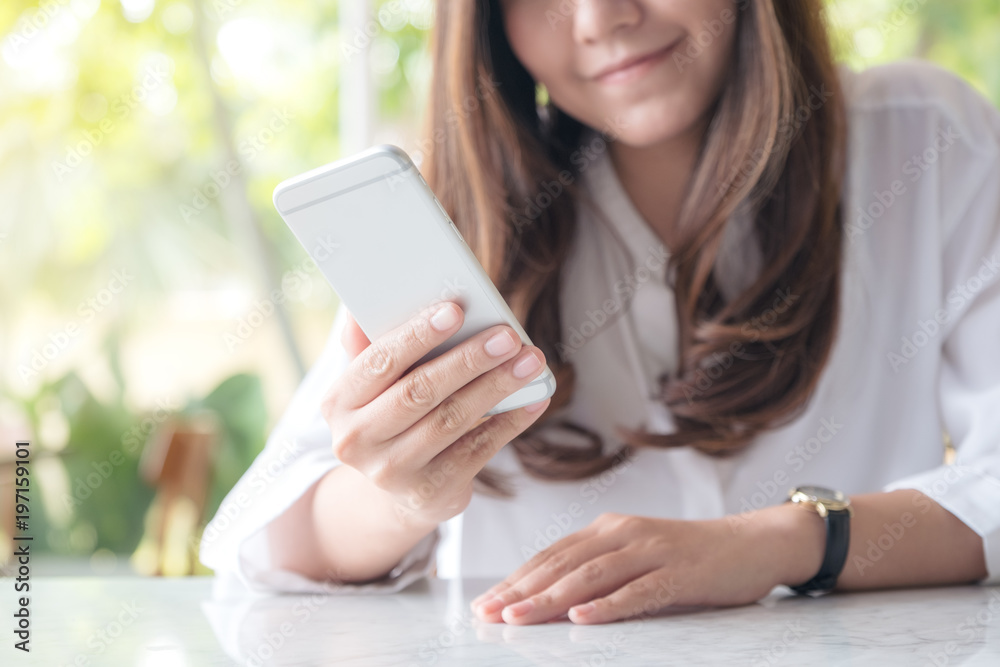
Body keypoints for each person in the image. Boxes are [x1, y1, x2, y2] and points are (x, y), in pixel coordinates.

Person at [200, 0, 1000, 626]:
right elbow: (256, 549)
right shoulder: (464, 212)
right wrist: (405, 491)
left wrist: (779, 544)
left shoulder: (925, 141)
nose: (598, 19)